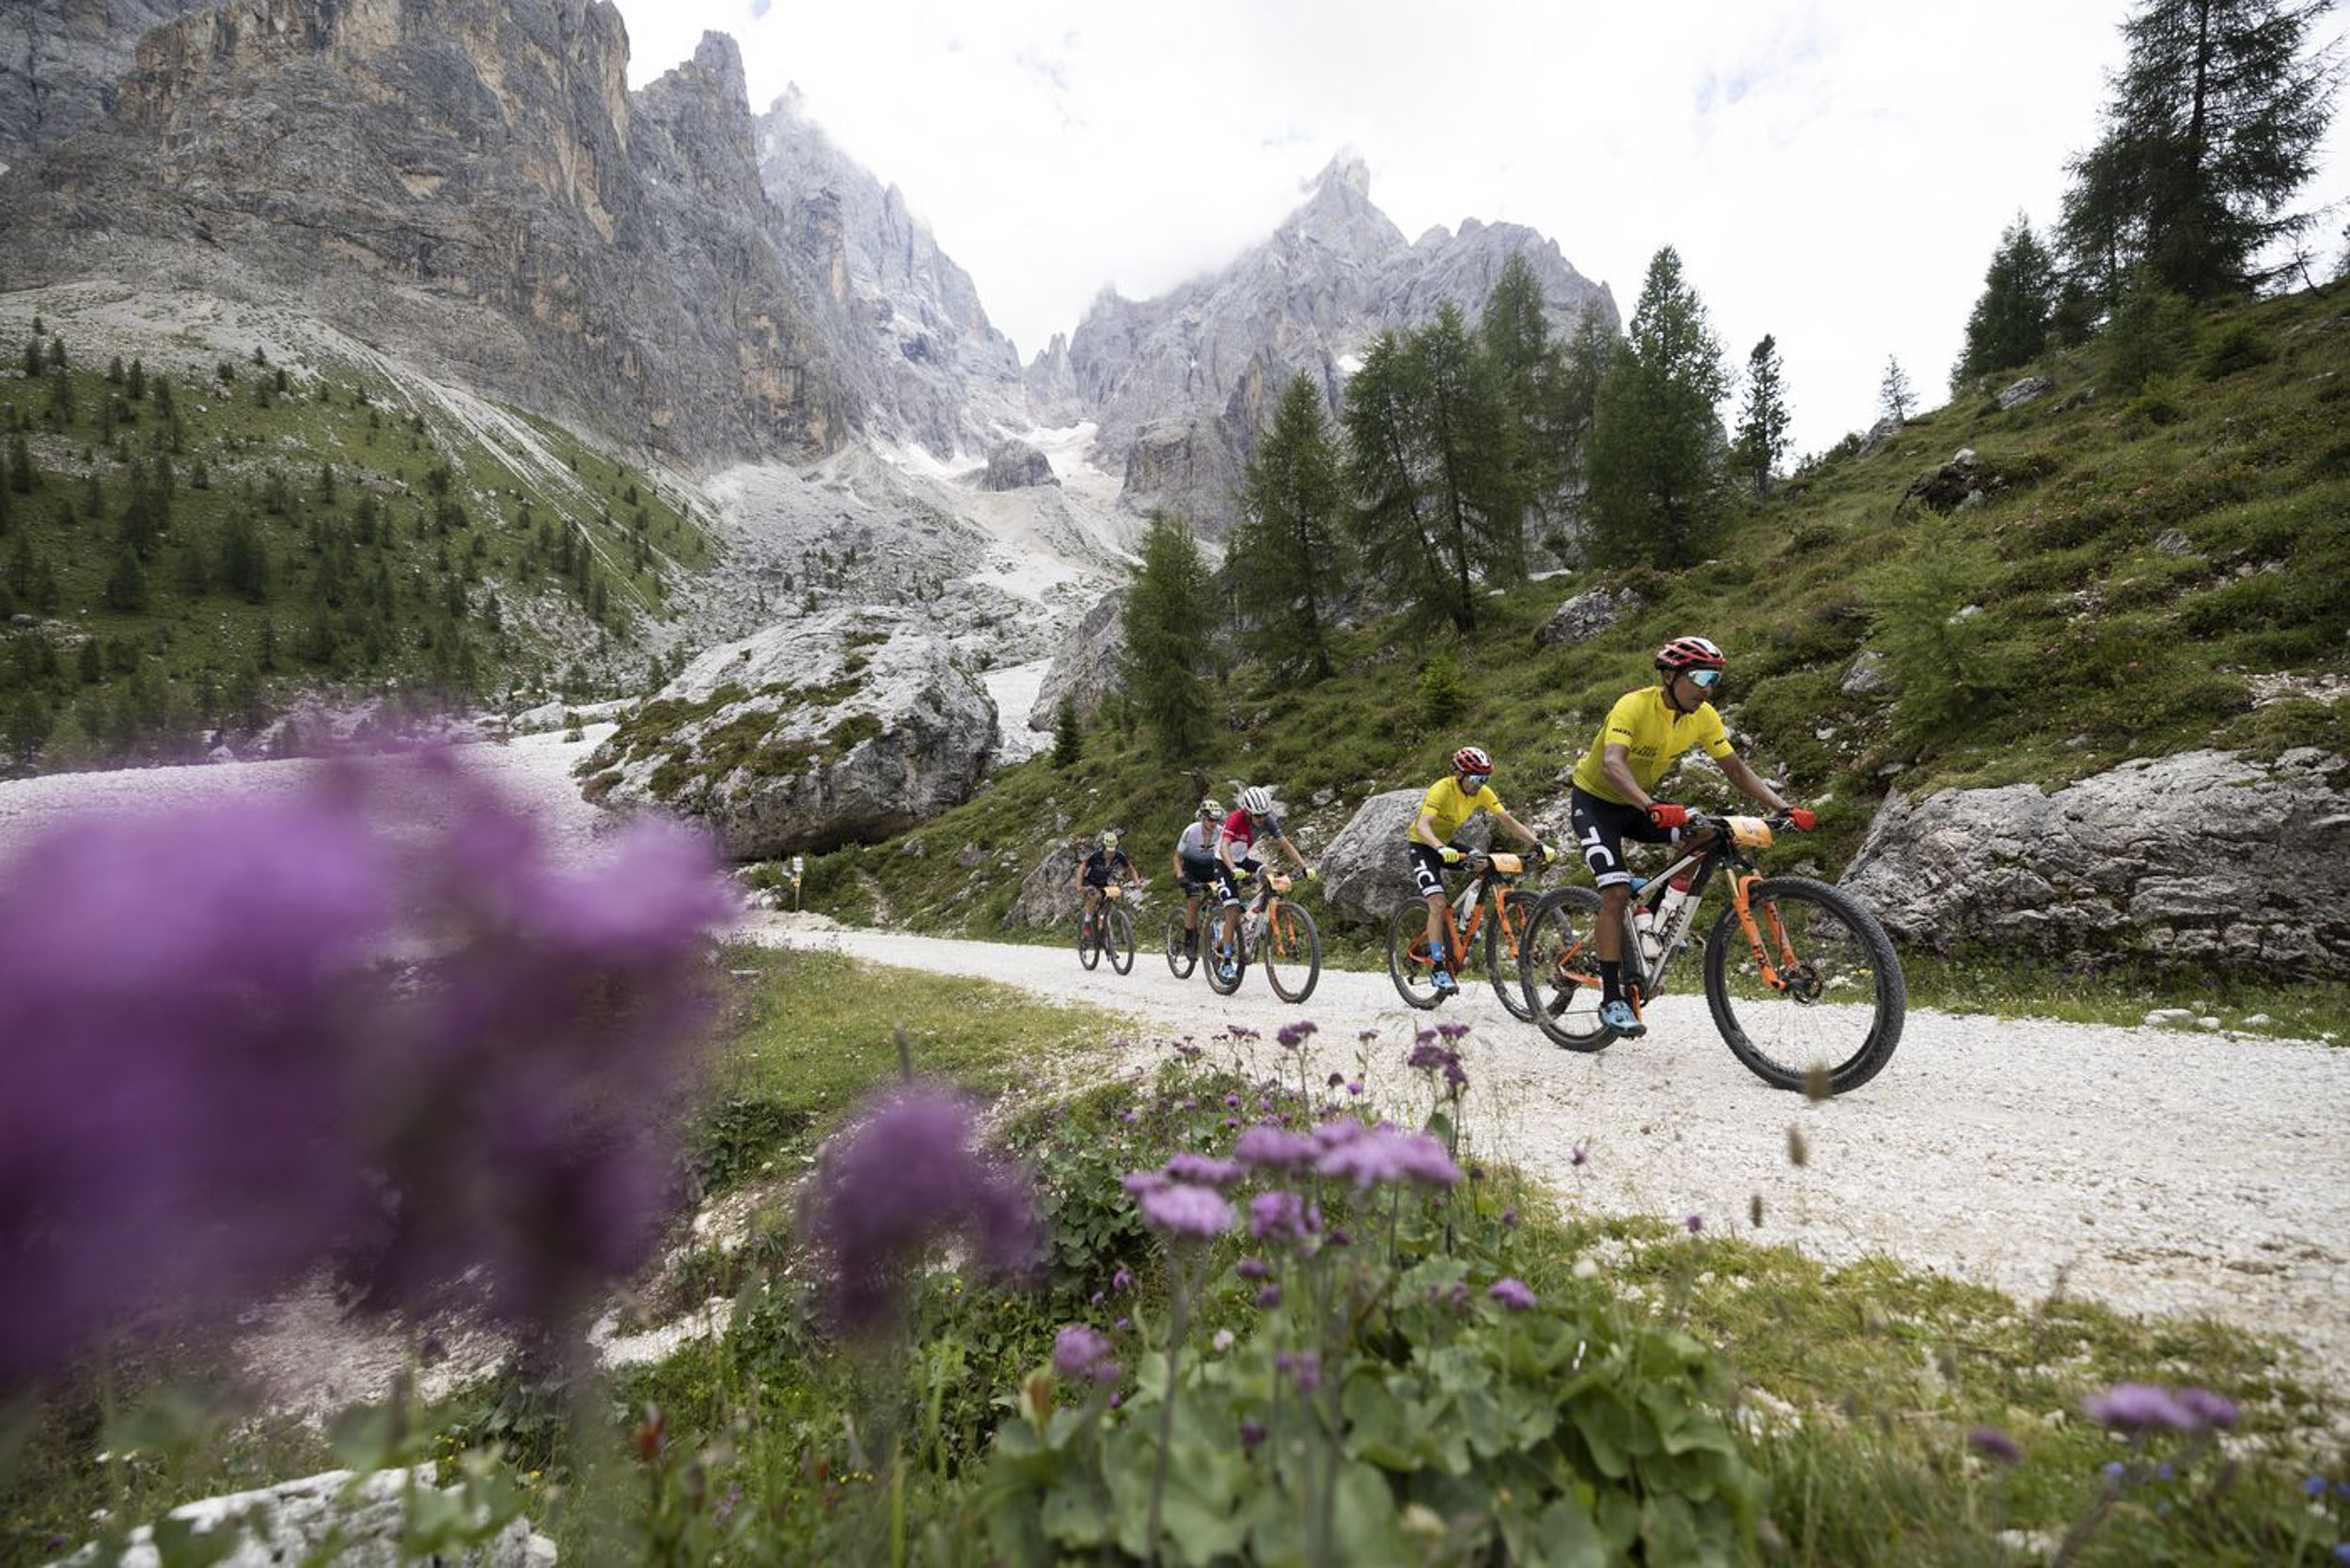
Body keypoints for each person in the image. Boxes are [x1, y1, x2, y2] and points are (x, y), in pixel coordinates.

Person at [1567, 636, 1813, 1036]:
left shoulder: (1704, 716)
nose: (1707, 687)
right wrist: (1651, 805)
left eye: (1714, 679)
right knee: (1613, 895)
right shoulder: (1633, 705)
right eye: (1699, 676)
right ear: (1669, 675)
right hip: (1596, 803)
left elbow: (1736, 769)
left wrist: (1782, 807)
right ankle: (1612, 998)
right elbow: (1613, 764)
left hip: (1640, 804)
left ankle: (1656, 916)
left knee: (1704, 834)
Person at [1407, 745, 1553, 995]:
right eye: (1476, 778)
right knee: (1438, 903)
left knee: (1484, 862)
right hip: (1423, 845)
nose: (1480, 784)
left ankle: (1465, 923)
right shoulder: (1442, 789)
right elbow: (1422, 826)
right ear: (1460, 774)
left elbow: (1506, 819)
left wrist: (1536, 843)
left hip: (1447, 846)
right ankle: (1439, 967)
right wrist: (1439, 848)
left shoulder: (1481, 792)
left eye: (1485, 778)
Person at [1214, 785, 1312, 983]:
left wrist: (1304, 867)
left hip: (1243, 860)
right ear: (1247, 811)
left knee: (1271, 874)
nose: (1261, 819)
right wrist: (1233, 868)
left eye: (1264, 815)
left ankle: (1251, 923)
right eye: (1257, 815)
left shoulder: (1268, 820)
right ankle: (1225, 962)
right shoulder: (1236, 818)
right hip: (1223, 862)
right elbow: (1224, 846)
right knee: (1232, 908)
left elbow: (1285, 844)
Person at [1169, 797, 1225, 960]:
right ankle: (1189, 941)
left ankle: (1216, 937)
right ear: (1202, 817)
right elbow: (1177, 857)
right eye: (1210, 819)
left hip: (1210, 869)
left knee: (1220, 898)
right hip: (1190, 869)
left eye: (1216, 820)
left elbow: (1226, 854)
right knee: (1193, 898)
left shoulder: (1221, 832)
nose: (1213, 823)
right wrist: (1180, 876)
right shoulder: (1190, 831)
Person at [1073, 828, 1142, 936]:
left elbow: (1131, 869)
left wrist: (1136, 882)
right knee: (1095, 897)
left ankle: (1104, 926)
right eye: (1108, 850)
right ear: (1104, 847)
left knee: (1110, 898)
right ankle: (1087, 922)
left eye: (1113, 850)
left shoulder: (1119, 855)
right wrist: (1079, 886)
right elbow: (1082, 869)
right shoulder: (1096, 856)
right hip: (1089, 881)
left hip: (1103, 883)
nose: (1110, 853)